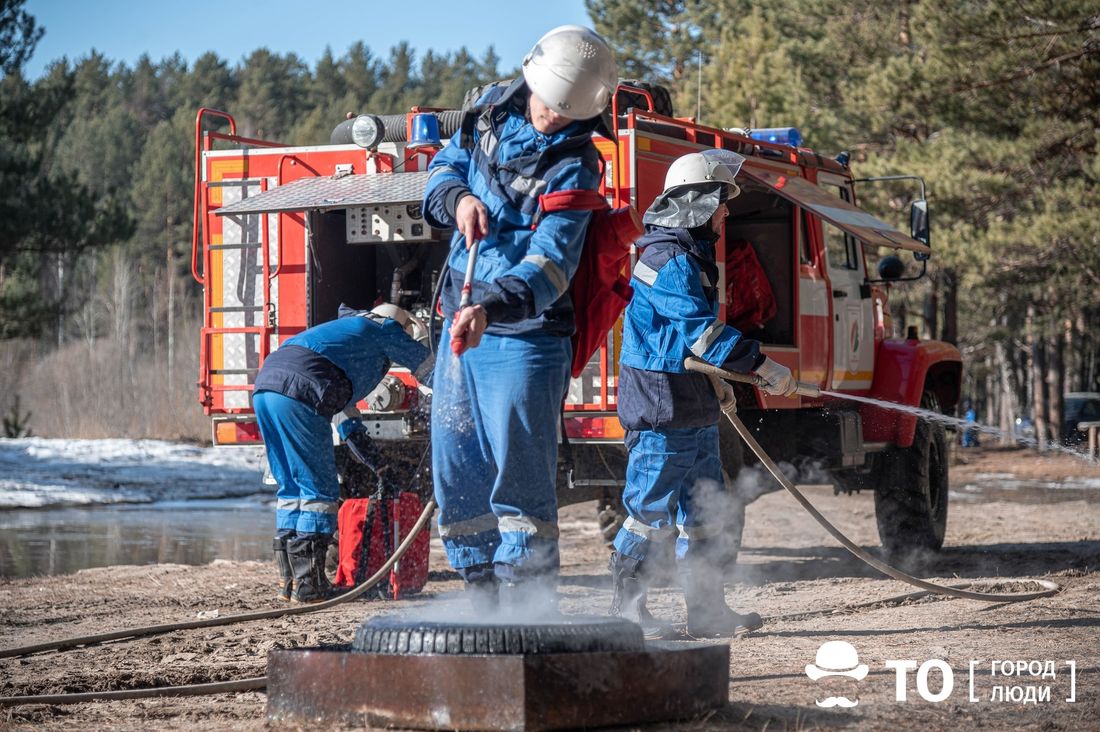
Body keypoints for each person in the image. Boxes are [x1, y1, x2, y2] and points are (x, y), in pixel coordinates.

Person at [422, 25, 617, 609]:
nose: (555, 118)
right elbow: (440, 169)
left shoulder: (578, 165)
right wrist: (459, 200)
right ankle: (479, 595)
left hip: (524, 332)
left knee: (519, 474)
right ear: (531, 81)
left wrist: (492, 306)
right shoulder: (485, 116)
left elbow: (552, 264)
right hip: (461, 313)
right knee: (456, 463)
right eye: (551, 105)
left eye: (568, 111)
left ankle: (529, 604)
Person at [609, 150, 798, 638]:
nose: (727, 212)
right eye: (721, 202)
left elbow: (692, 345)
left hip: (690, 403)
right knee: (649, 514)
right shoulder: (666, 260)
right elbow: (703, 338)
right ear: (697, 202)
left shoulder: (688, 256)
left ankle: (707, 610)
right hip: (660, 406)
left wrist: (722, 385)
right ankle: (629, 611)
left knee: (707, 512)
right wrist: (763, 366)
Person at [253, 304, 433, 603]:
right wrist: (459, 393)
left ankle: (290, 581)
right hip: (302, 393)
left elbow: (345, 418)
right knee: (318, 489)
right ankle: (310, 586)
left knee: (291, 488)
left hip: (266, 388)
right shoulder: (383, 330)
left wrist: (376, 463)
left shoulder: (343, 339)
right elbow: (428, 368)